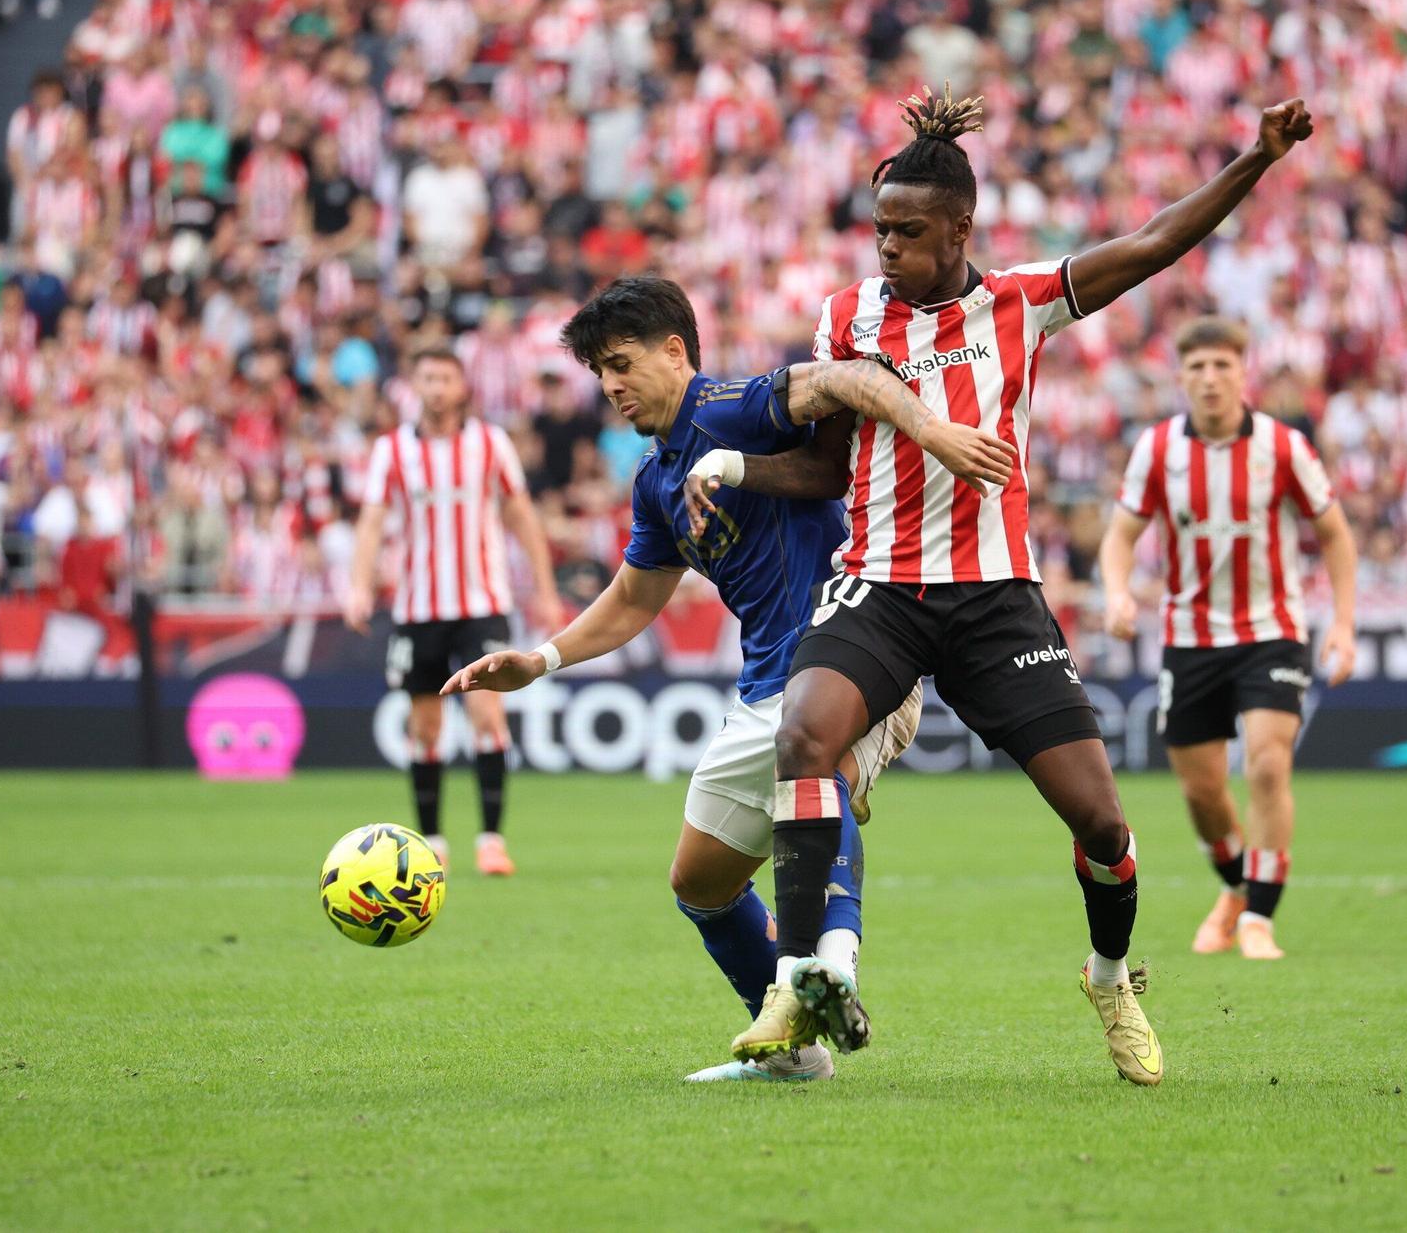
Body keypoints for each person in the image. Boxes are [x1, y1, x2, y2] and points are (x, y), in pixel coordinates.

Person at [681, 88, 1313, 1085]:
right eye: (877, 227)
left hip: (994, 601)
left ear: (958, 228)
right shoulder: (844, 319)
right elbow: (820, 467)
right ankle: (797, 982)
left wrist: (1256, 158)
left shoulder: (1018, 303)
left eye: (905, 230)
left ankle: (1110, 980)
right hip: (879, 588)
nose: (884, 246)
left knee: (1101, 824)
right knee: (804, 734)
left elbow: (1150, 243)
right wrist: (729, 470)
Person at [443, 276, 1014, 1082]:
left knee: (813, 774)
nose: (610, 385)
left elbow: (844, 379)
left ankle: (832, 965)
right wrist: (540, 661)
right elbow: (637, 595)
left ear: (675, 351)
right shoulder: (657, 477)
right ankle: (794, 1053)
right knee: (700, 882)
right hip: (763, 683)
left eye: (622, 362)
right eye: (599, 371)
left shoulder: (729, 406)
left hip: (854, 652)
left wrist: (930, 427)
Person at [1097, 317, 1358, 962]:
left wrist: (1345, 625)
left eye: (1222, 366)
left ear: (1244, 373)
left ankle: (1259, 918)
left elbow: (1335, 535)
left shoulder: (1283, 446)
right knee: (1202, 792)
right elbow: (1121, 536)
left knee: (1269, 765)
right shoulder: (1157, 450)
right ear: (1181, 378)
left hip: (1273, 630)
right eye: (1197, 368)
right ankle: (1238, 887)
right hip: (1190, 638)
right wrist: (1117, 592)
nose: (1210, 379)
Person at [343, 347, 562, 875]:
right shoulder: (392, 450)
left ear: (462, 387)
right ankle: (433, 841)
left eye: (445, 378)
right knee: (424, 726)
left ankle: (490, 838)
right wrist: (358, 585)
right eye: (427, 378)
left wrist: (545, 587)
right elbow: (372, 521)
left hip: (483, 603)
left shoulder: (490, 443)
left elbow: (520, 514)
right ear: (414, 386)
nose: (436, 387)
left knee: (487, 712)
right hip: (419, 608)